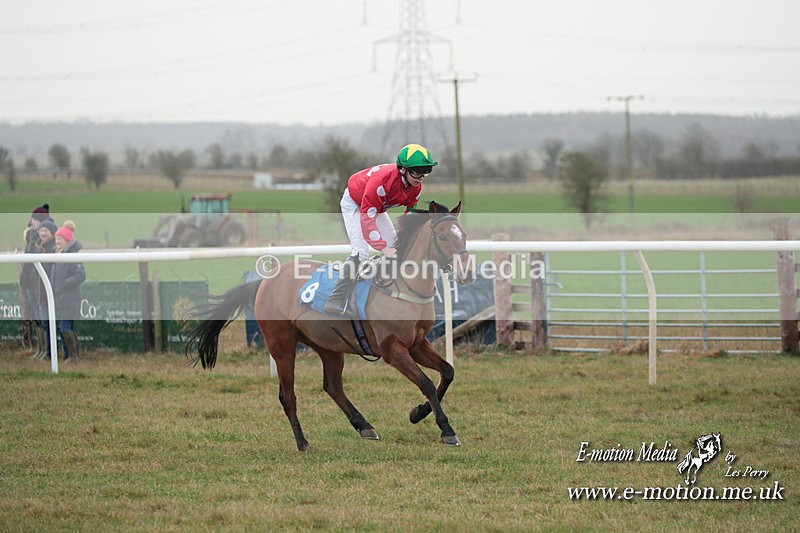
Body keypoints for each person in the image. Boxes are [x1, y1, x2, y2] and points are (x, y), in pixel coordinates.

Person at [323, 143, 438, 315]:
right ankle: (336, 298)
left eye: (425, 172)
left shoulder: (416, 187)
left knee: (396, 247)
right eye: (416, 172)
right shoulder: (382, 182)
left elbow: (408, 217)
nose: (421, 177)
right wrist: (383, 248)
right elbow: (367, 218)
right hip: (355, 203)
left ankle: (389, 291)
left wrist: (404, 239)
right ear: (403, 170)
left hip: (377, 207)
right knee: (361, 252)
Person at [20, 204, 52, 358]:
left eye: (34, 219)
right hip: (30, 283)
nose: (31, 222)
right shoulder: (31, 237)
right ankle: (41, 350)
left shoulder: (41, 238)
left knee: (43, 319)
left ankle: (47, 352)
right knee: (38, 320)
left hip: (38, 284)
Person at [50, 221, 85, 363]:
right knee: (62, 327)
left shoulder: (73, 255)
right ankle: (68, 355)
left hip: (70, 298)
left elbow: (80, 275)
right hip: (61, 298)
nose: (57, 241)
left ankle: (73, 356)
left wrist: (62, 285)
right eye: (56, 239)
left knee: (65, 327)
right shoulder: (58, 254)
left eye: (60, 239)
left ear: (67, 240)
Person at [34, 218, 58, 360]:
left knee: (49, 324)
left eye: (45, 230)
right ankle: (45, 351)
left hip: (49, 293)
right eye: (41, 230)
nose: (42, 233)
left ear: (52, 233)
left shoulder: (51, 249)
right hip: (41, 292)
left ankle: (50, 353)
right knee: (44, 323)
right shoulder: (39, 247)